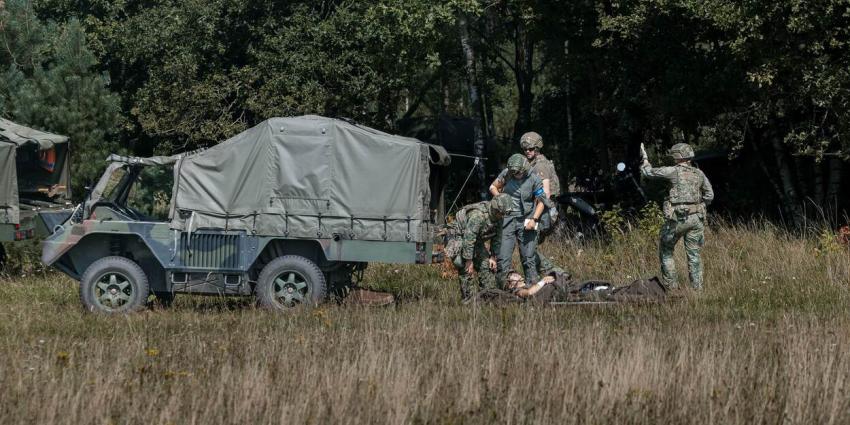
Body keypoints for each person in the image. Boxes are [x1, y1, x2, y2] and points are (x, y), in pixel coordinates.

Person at [640, 142, 714, 290]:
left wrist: (645, 161)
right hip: (696, 220)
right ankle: (697, 290)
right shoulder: (699, 173)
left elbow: (648, 173)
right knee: (694, 255)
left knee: (666, 251)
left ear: (677, 156)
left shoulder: (673, 171)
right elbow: (710, 195)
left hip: (677, 220)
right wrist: (700, 206)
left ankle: (672, 289)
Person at [489, 154, 546, 286]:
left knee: (528, 257)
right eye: (514, 172)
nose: (516, 174)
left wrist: (534, 219)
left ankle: (532, 288)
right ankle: (502, 288)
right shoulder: (507, 173)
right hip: (507, 219)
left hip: (526, 219)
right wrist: (501, 199)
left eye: (518, 172)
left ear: (524, 168)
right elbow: (492, 187)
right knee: (503, 257)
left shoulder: (534, 178)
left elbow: (542, 202)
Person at [446, 193, 513, 300]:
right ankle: (469, 300)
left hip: (475, 239)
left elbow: (497, 238)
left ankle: (489, 296)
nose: (502, 216)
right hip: (458, 235)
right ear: (495, 208)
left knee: (486, 265)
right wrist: (469, 260)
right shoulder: (478, 216)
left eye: (504, 213)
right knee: (464, 266)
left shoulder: (499, 217)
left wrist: (493, 257)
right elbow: (468, 238)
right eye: (501, 213)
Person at [519, 131, 564, 276]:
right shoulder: (533, 163)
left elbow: (545, 194)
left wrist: (534, 217)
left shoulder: (540, 166)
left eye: (531, 149)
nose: (528, 152)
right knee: (528, 248)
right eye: (525, 149)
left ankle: (555, 274)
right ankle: (548, 276)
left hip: (541, 212)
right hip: (538, 211)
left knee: (528, 248)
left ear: (537, 148)